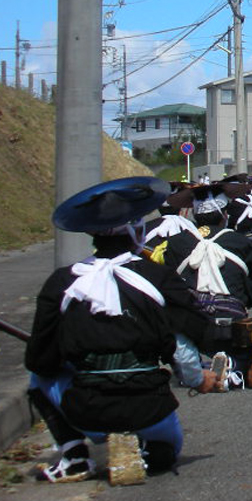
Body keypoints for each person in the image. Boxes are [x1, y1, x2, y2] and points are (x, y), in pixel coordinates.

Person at [25, 178, 219, 484]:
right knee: (166, 451)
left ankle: (75, 456)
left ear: (92, 232)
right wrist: (198, 378)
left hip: (86, 410)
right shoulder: (158, 277)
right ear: (136, 230)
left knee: (37, 380)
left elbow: (40, 360)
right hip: (151, 409)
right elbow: (182, 343)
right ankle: (149, 451)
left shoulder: (62, 283)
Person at [164, 186, 252, 390]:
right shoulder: (239, 241)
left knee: (177, 328)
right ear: (225, 215)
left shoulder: (176, 242)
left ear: (194, 214)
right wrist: (244, 300)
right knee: (248, 352)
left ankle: (194, 370)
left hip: (191, 320)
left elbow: (168, 283)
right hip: (231, 319)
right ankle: (235, 371)